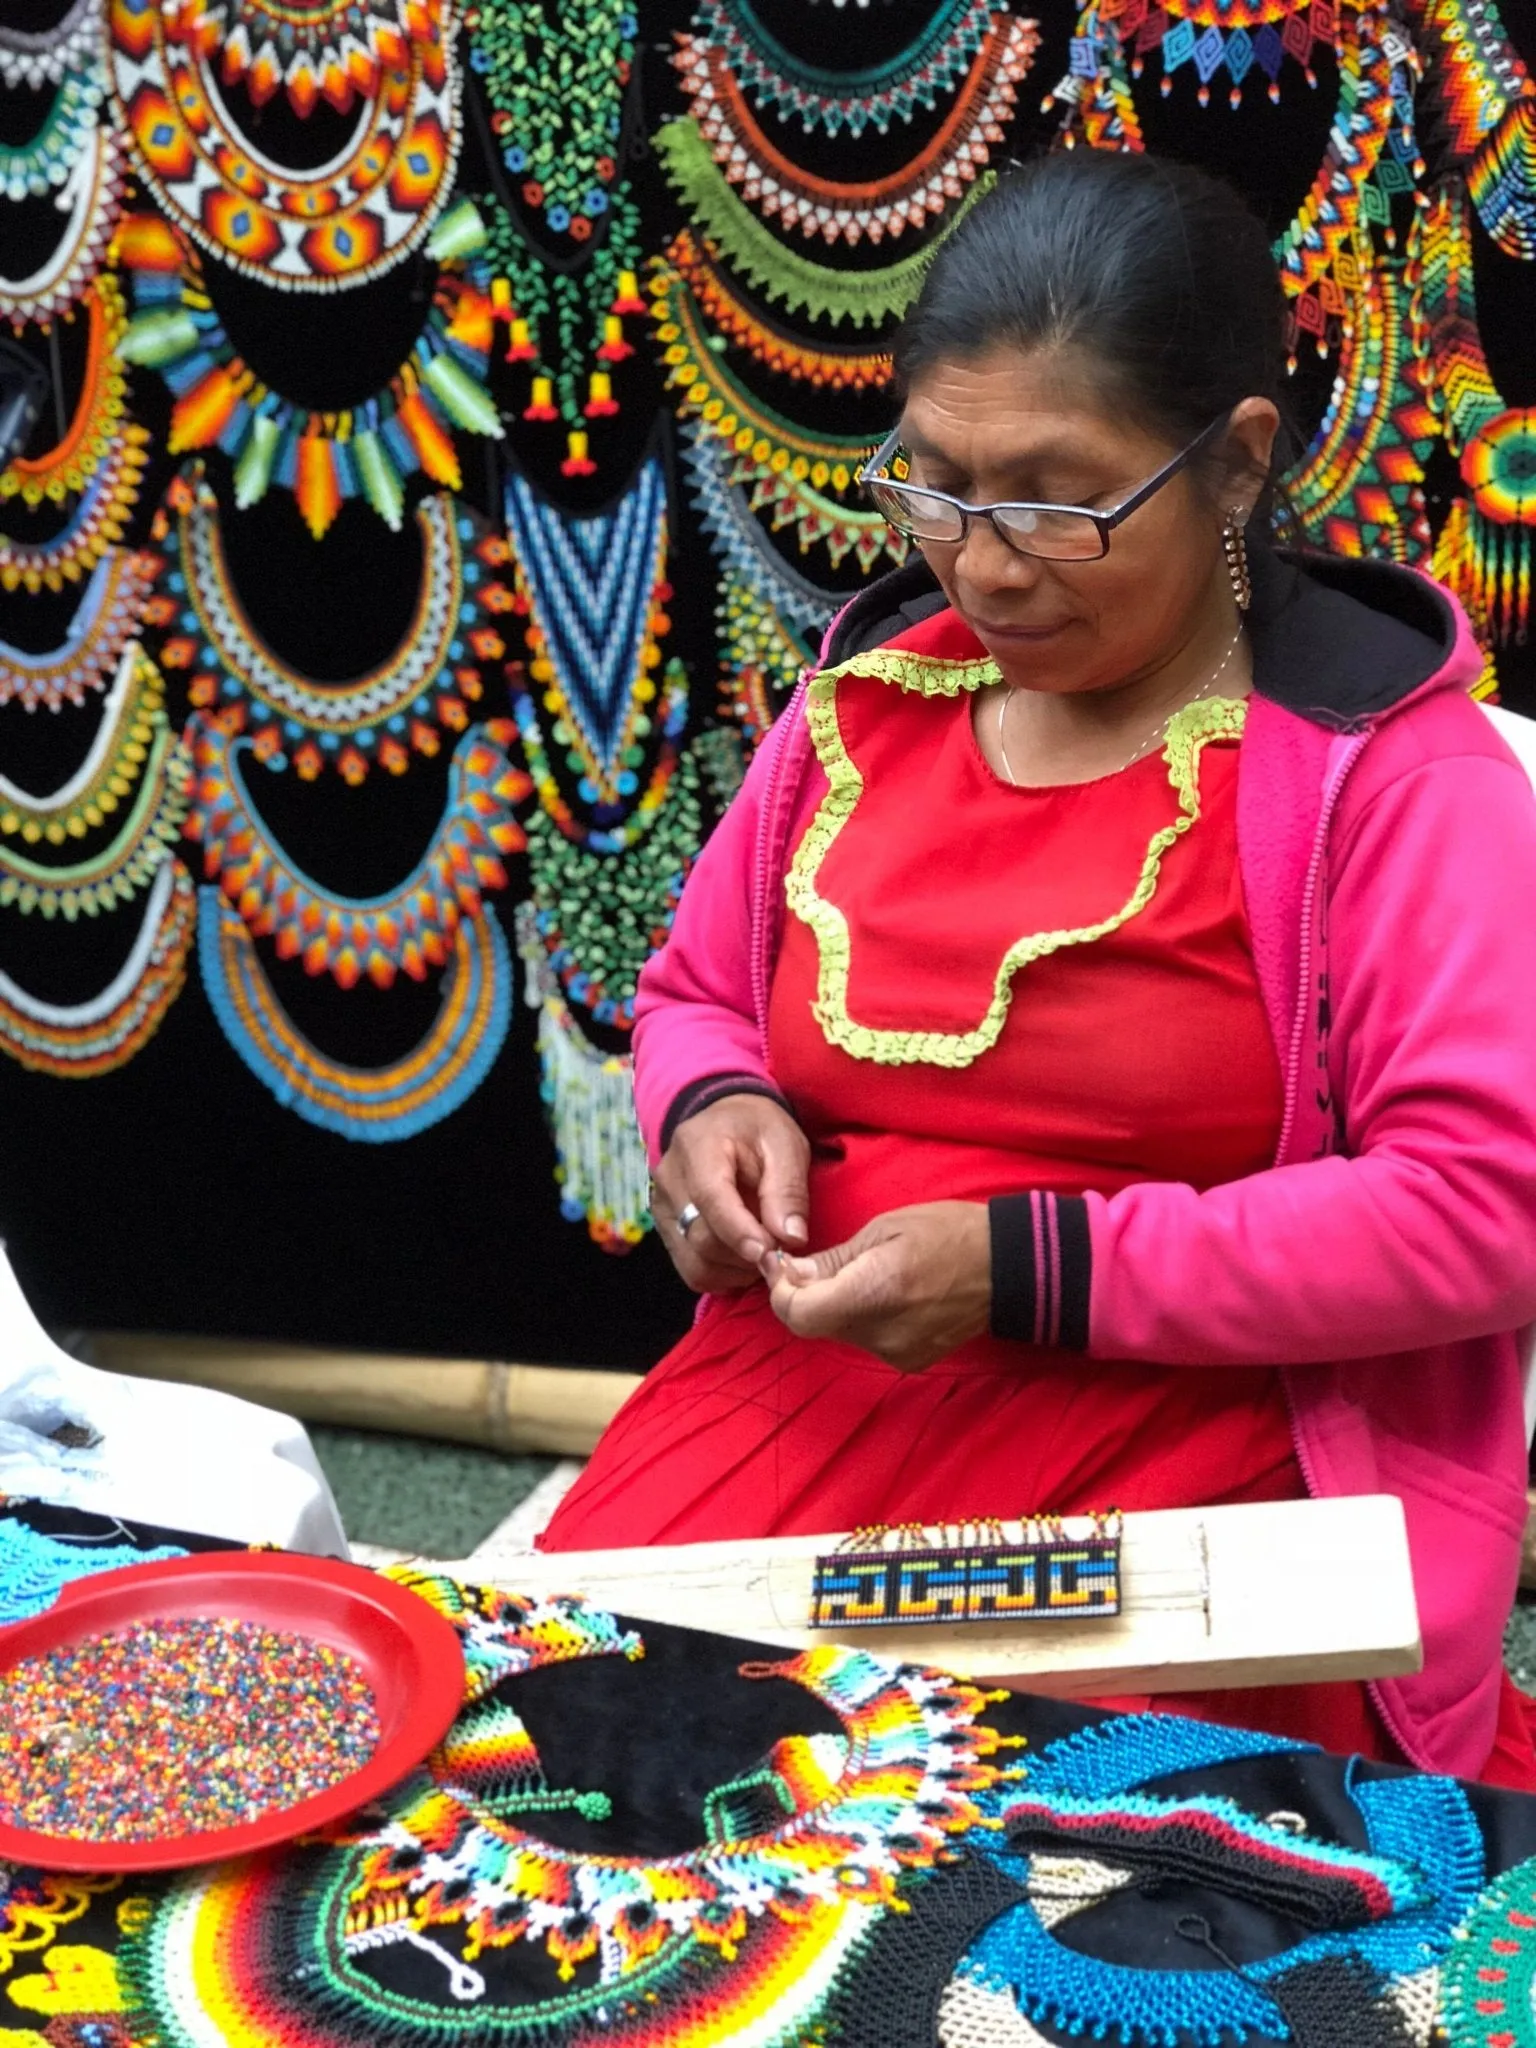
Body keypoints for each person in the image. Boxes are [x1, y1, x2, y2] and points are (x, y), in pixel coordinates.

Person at [540, 150, 1536, 1788]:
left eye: (1057, 505)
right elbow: (699, 988)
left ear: (1235, 463)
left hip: (1210, 1441)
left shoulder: (1385, 777)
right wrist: (710, 1111)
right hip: (815, 1389)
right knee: (563, 1803)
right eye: (934, 486)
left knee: (1032, 1905)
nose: (983, 565)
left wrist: (1028, 1270)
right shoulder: (877, 702)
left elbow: (1483, 1207)